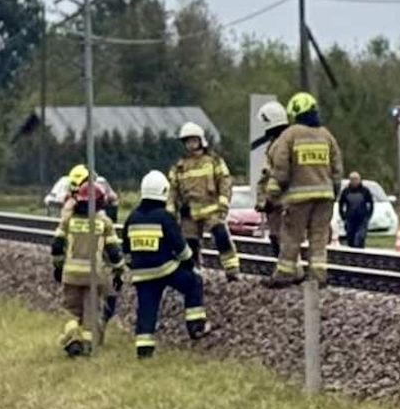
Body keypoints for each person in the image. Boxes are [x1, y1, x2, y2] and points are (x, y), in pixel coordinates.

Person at [123, 171, 208, 358]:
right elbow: (180, 246)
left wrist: (135, 266)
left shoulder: (132, 218)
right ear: (163, 191)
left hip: (142, 274)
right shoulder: (164, 217)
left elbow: (126, 251)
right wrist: (189, 263)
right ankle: (196, 325)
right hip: (165, 269)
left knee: (146, 310)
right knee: (193, 282)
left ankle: (144, 349)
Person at [261, 92, 342, 287]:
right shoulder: (327, 135)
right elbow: (337, 168)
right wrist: (334, 192)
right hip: (325, 197)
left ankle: (284, 275)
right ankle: (318, 276)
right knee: (319, 238)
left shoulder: (290, 135)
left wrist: (271, 197)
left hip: (298, 199)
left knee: (291, 237)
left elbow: (281, 169)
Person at [48, 180, 124, 357]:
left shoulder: (68, 220)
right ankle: (88, 345)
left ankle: (73, 337)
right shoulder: (104, 223)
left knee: (70, 310)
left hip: (71, 274)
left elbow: (57, 246)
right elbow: (114, 252)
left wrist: (58, 267)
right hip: (94, 276)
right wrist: (119, 272)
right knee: (91, 313)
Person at [169, 121, 241, 280]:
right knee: (190, 244)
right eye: (187, 141)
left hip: (211, 208)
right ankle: (194, 272)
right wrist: (171, 209)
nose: (190, 144)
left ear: (201, 140)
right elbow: (173, 189)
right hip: (189, 212)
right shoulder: (180, 165)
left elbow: (225, 181)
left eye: (193, 140)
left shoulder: (213, 161)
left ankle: (232, 270)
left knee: (221, 237)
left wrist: (223, 202)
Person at [250, 99, 290, 257]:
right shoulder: (277, 143)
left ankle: (288, 268)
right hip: (275, 202)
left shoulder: (281, 145)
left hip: (279, 202)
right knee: (276, 237)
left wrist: (268, 199)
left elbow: (275, 174)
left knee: (281, 239)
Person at [337, 172, 374, 248]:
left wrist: (368, 216)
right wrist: (343, 216)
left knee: (359, 238)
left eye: (356, 179)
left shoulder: (365, 191)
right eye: (352, 179)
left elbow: (371, 204)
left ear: (359, 180)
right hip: (350, 219)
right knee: (351, 239)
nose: (354, 181)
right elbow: (341, 204)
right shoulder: (346, 191)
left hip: (362, 219)